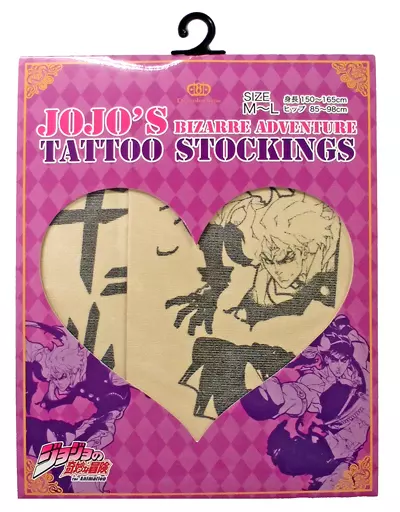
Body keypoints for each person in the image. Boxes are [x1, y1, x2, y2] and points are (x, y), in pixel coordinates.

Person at [241, 315, 370, 490]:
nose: (340, 365)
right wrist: (273, 401)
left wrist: (340, 327)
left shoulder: (358, 357)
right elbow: (303, 394)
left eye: (343, 359)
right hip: (344, 444)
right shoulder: (320, 380)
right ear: (326, 359)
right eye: (334, 360)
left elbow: (351, 335)